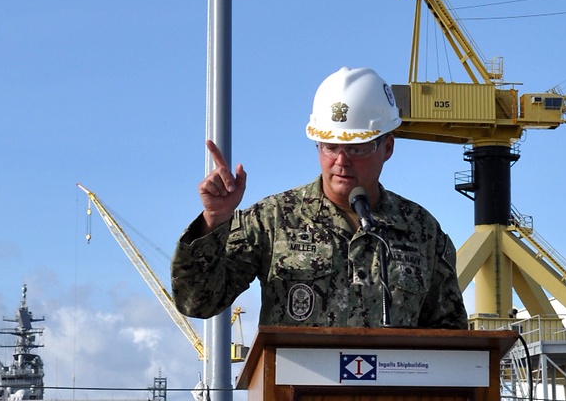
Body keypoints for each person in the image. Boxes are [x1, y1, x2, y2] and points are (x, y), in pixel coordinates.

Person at [171, 65, 467, 330]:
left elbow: (450, 337)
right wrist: (215, 219)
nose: (341, 161)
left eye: (356, 148)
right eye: (329, 146)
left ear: (387, 147)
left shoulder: (421, 230)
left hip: (394, 391)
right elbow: (197, 302)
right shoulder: (273, 219)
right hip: (294, 389)